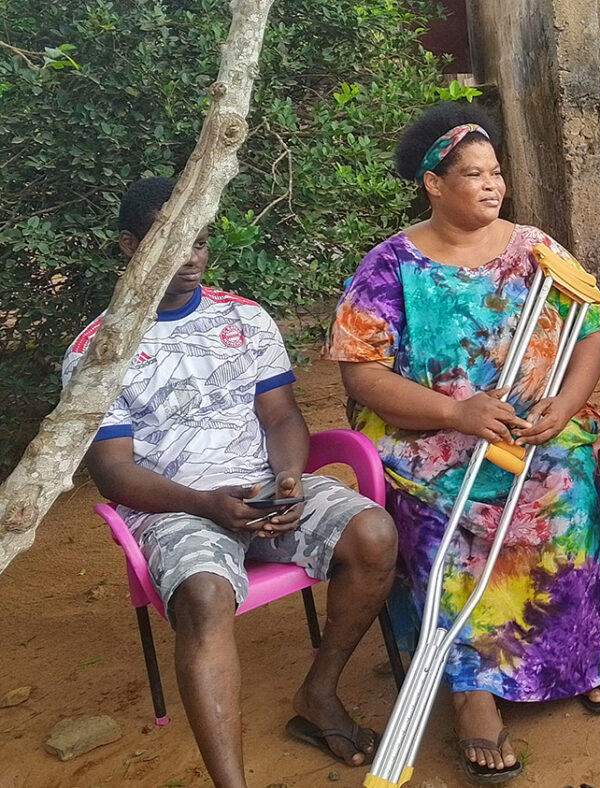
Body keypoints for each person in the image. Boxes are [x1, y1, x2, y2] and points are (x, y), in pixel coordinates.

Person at [324, 103, 600, 784]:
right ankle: (473, 693)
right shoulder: (389, 267)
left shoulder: (538, 251)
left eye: (496, 173)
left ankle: (580, 654)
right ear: (434, 183)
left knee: (562, 483)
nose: (493, 186)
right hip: (435, 439)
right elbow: (362, 373)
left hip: (534, 430)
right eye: (473, 174)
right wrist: (456, 415)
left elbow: (590, 332)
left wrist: (565, 405)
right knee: (446, 514)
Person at [65, 178, 399, 785]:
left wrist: (291, 479)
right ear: (128, 246)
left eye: (200, 240)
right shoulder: (100, 350)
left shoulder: (245, 320)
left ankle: (318, 694)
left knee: (374, 533)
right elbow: (113, 472)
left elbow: (280, 416)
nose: (191, 256)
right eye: (172, 242)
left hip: (265, 488)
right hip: (174, 506)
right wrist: (204, 504)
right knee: (204, 595)